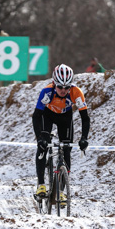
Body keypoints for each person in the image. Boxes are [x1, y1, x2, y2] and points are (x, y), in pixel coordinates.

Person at [31, 64, 90, 202]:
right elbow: (36, 116)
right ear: (54, 83)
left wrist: (84, 138)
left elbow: (85, 118)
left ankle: (62, 191)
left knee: (66, 150)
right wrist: (39, 138)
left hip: (65, 117)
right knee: (42, 147)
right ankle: (41, 185)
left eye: (66, 87)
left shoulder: (76, 92)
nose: (63, 90)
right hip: (48, 115)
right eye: (60, 87)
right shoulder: (47, 92)